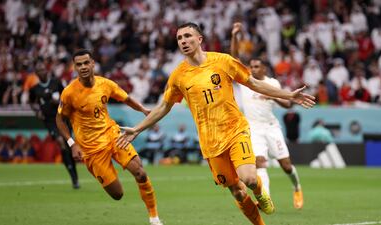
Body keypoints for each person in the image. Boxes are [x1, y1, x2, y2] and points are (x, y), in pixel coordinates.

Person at [117, 22, 315, 225]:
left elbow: (254, 83)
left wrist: (289, 94)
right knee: (238, 192)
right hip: (210, 143)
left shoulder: (223, 61)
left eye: (188, 36)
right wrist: (138, 129)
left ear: (199, 39)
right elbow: (163, 107)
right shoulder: (178, 76)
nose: (183, 41)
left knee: (249, 179)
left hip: (236, 130)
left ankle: (260, 192)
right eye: (179, 38)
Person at [55, 49, 163, 225]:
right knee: (117, 194)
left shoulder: (105, 84)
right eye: (79, 64)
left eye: (86, 63)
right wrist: (71, 143)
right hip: (91, 150)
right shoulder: (69, 93)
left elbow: (126, 99)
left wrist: (143, 110)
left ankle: (154, 218)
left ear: (93, 64)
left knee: (140, 173)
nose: (83, 67)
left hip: (113, 135)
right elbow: (59, 119)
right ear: (74, 67)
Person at [231, 22, 304, 209]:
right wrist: (235, 36)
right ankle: (265, 199)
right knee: (260, 163)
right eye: (252, 66)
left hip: (271, 127)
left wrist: (272, 94)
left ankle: (297, 187)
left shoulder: (272, 83)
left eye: (257, 66)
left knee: (286, 166)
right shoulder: (245, 81)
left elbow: (287, 104)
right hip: (254, 129)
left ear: (264, 69)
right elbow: (234, 59)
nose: (253, 69)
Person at [29, 58, 80, 189]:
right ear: (36, 73)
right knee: (61, 143)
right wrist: (37, 112)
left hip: (63, 118)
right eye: (39, 70)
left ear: (47, 70)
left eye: (43, 69)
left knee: (69, 147)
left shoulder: (56, 82)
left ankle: (74, 175)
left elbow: (66, 96)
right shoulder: (35, 89)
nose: (42, 72)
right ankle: (74, 177)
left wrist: (57, 103)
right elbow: (31, 102)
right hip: (50, 121)